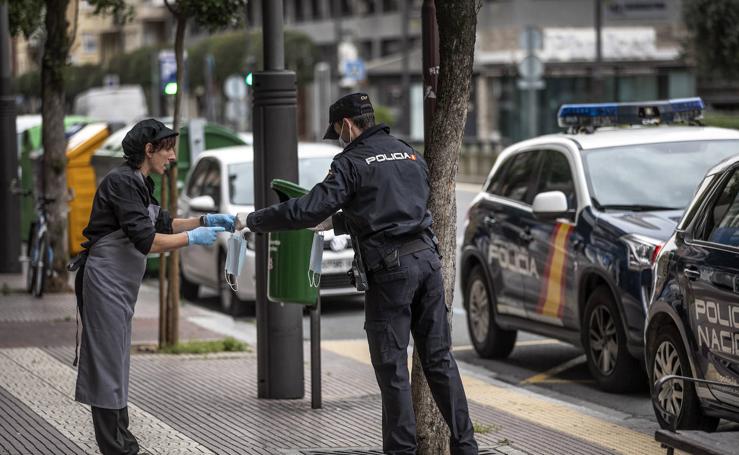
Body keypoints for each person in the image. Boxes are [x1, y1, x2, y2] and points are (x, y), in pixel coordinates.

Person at [246, 93, 478, 454]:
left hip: (391, 270)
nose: (339, 137)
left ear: (347, 125)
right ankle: (466, 446)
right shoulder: (408, 152)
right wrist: (339, 223)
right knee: (439, 360)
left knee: (392, 367)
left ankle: (401, 451)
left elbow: (308, 210)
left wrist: (255, 221)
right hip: (428, 261)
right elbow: (395, 204)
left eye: (337, 130)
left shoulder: (350, 161)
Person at [71, 119, 235, 455]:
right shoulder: (121, 182)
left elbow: (163, 221)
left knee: (115, 363)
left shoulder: (138, 182)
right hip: (104, 282)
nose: (173, 156)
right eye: (168, 149)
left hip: (118, 285)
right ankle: (116, 446)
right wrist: (191, 238)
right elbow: (147, 241)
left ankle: (122, 439)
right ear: (149, 150)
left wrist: (205, 220)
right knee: (106, 366)